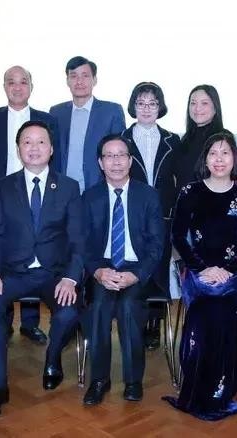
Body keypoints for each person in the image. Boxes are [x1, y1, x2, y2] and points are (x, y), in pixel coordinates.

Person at [0, 121, 83, 422]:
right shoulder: (2, 186)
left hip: (54, 273)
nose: (33, 148)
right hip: (13, 272)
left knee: (68, 310)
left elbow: (77, 239)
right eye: (27, 142)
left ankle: (52, 360)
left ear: (51, 149)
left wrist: (71, 277)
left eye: (40, 143)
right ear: (18, 148)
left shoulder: (68, 186)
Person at [163, 130, 237, 421]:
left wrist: (227, 271)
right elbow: (178, 237)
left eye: (225, 153)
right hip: (198, 273)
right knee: (203, 316)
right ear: (205, 158)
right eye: (213, 153)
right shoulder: (189, 192)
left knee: (224, 314)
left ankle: (221, 392)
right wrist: (202, 269)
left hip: (234, 276)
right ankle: (196, 390)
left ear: (235, 158)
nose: (219, 159)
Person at [0, 65, 58, 344]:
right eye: (11, 82)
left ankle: (30, 323)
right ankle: (4, 319)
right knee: (9, 255)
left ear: (31, 86)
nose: (17, 86)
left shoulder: (46, 119)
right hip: (2, 199)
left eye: (23, 81)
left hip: (35, 194)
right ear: (4, 87)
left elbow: (55, 159)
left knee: (34, 250)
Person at [81, 135, 164, 405]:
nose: (116, 161)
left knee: (129, 307)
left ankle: (132, 381)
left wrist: (136, 274)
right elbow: (83, 244)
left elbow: (156, 245)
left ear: (130, 161)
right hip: (103, 269)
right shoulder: (89, 197)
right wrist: (97, 272)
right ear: (100, 163)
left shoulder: (148, 195)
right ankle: (99, 380)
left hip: (136, 268)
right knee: (99, 307)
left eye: (121, 155)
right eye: (109, 156)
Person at [121, 81, 181, 350]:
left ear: (161, 107)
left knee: (158, 268)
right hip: (132, 214)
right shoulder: (121, 139)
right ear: (133, 106)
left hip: (164, 214)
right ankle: (135, 318)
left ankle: (154, 323)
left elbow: (177, 180)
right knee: (136, 265)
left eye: (152, 103)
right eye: (141, 103)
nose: (146, 108)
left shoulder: (172, 139)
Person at [49, 56, 126, 191]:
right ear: (67, 81)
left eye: (85, 76)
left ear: (94, 80)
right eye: (73, 76)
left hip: (99, 189)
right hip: (62, 190)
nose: (79, 81)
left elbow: (119, 153)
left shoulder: (112, 111)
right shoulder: (56, 112)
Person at [170, 84, 224, 188]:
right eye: (193, 103)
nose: (197, 108)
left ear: (215, 107)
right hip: (183, 201)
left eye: (204, 103)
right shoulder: (183, 140)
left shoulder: (223, 139)